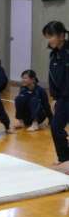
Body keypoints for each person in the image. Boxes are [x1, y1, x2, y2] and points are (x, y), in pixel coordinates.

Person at [43, 21, 69, 172]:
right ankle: (64, 159)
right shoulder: (54, 55)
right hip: (63, 98)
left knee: (57, 127)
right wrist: (54, 98)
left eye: (51, 36)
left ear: (61, 36)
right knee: (56, 127)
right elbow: (52, 78)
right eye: (47, 36)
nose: (49, 39)